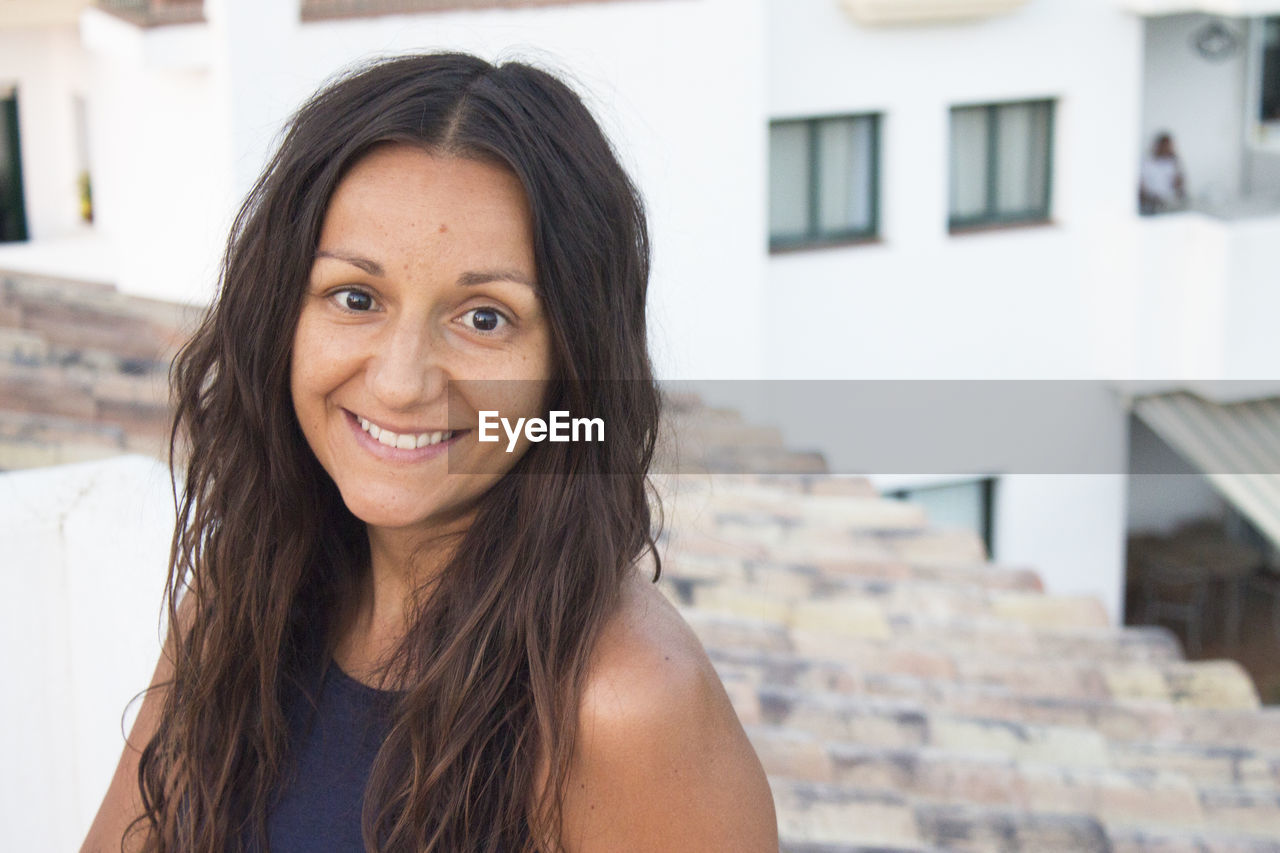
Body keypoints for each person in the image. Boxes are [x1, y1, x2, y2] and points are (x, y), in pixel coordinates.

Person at [80, 53, 778, 852]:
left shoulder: (622, 703)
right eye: (356, 298)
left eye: (485, 318)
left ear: (569, 368)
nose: (402, 381)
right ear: (282, 317)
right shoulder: (237, 604)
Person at [1139, 131, 1186, 215]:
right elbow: (1141, 186)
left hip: (1168, 204)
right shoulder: (1146, 162)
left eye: (1169, 146)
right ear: (1158, 146)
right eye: (1165, 146)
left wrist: (1177, 165)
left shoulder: (1172, 163)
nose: (1167, 149)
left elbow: (1180, 189)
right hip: (1150, 204)